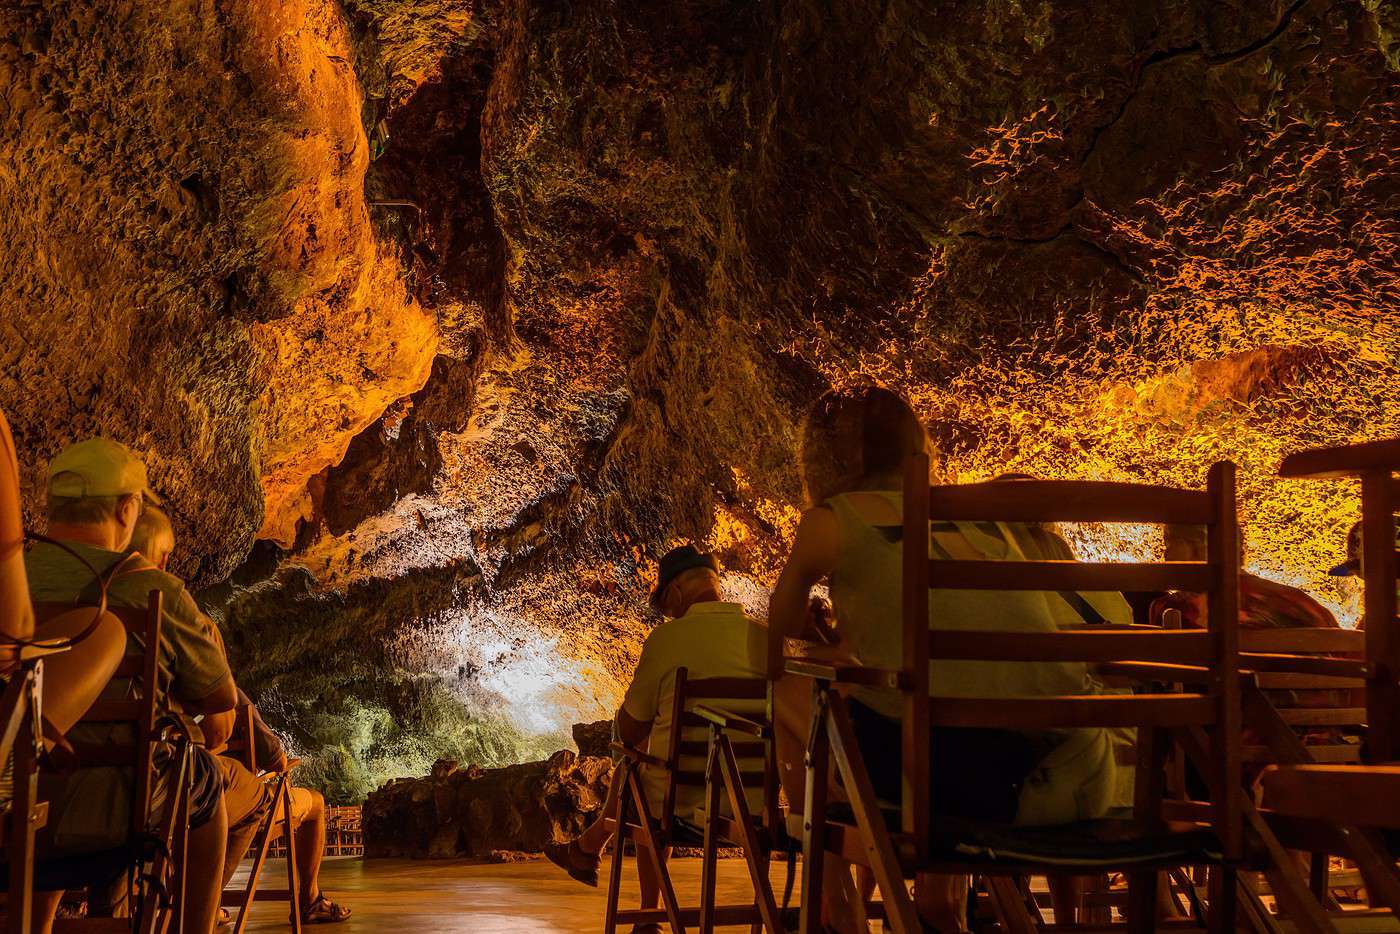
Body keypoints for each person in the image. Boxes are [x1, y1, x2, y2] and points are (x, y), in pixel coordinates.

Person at [769, 387, 1121, 934]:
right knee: (932, 700)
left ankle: (836, 906)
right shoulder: (981, 517)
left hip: (944, 781)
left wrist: (824, 639)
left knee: (789, 687)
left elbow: (781, 631)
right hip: (1066, 774)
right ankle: (939, 906)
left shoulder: (831, 518)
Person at [25, 438, 236, 934]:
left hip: (17, 803)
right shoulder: (153, 587)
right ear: (127, 509)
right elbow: (219, 701)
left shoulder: (11, 578)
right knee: (202, 779)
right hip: (117, 807)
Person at [129, 509, 351, 925]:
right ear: (161, 560)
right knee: (251, 796)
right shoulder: (174, 607)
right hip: (159, 787)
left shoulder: (72, 596)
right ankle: (206, 907)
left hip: (60, 785)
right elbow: (220, 725)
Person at [543, 545, 766, 932]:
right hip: (754, 800)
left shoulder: (667, 641)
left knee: (636, 756)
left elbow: (629, 731)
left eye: (667, 602)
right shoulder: (762, 639)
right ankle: (589, 848)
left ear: (676, 591)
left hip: (681, 802)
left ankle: (644, 908)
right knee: (645, 758)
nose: (669, 612)